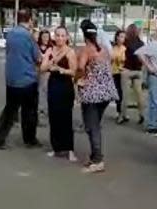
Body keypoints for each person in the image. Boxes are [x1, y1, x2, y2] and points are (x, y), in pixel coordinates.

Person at [0, 10, 41, 150]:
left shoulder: (11, 34)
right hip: (27, 78)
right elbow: (37, 57)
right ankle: (29, 138)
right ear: (30, 20)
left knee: (10, 110)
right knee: (29, 111)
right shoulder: (28, 36)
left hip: (12, 78)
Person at [77, 21, 118, 173]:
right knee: (95, 124)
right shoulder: (104, 49)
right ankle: (95, 155)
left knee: (91, 126)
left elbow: (81, 68)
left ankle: (97, 159)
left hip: (92, 93)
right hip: (107, 92)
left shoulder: (87, 50)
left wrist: (79, 79)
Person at [41, 27, 77, 161]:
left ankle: (69, 149)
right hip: (53, 85)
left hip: (65, 86)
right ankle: (55, 147)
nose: (60, 38)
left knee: (66, 118)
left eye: (63, 36)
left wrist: (61, 69)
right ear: (54, 37)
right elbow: (42, 68)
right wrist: (51, 62)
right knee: (53, 117)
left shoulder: (70, 52)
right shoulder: (50, 50)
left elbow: (74, 71)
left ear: (67, 37)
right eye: (57, 35)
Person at [119, 24, 145, 125]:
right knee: (139, 95)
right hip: (138, 71)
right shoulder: (141, 44)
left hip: (127, 70)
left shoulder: (126, 43)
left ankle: (123, 116)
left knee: (125, 95)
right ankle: (141, 114)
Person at [37, 30, 53, 121]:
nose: (45, 38)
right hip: (37, 72)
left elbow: (53, 61)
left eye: (47, 36)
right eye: (43, 36)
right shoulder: (37, 46)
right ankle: (39, 110)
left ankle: (44, 110)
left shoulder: (51, 48)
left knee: (46, 91)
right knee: (38, 91)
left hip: (47, 73)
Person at [111, 30, 126, 120]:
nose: (122, 39)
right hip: (114, 72)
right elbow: (110, 60)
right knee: (116, 92)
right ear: (116, 37)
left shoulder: (125, 48)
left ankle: (121, 112)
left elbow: (125, 61)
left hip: (122, 73)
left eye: (124, 37)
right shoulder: (113, 48)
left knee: (122, 92)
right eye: (121, 36)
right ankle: (118, 111)